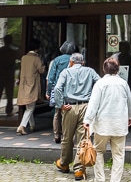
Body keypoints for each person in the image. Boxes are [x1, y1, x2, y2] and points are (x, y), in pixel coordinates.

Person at [83, 56, 131, 182]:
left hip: (102, 125)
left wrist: (87, 120)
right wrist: (130, 116)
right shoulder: (123, 83)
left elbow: (93, 104)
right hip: (119, 125)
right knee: (118, 155)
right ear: (117, 69)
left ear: (104, 69)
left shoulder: (100, 83)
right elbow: (129, 102)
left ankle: (100, 179)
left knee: (99, 152)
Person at [53, 52, 101, 181]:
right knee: (82, 138)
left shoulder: (66, 72)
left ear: (71, 61)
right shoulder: (90, 71)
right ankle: (79, 170)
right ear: (83, 62)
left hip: (70, 107)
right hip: (86, 106)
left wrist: (60, 104)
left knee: (67, 137)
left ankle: (64, 163)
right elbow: (100, 83)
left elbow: (57, 88)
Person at [47, 40, 76, 143]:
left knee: (57, 113)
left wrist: (48, 91)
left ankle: (56, 135)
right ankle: (66, 135)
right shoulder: (74, 60)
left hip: (57, 88)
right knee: (67, 113)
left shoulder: (57, 60)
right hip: (70, 89)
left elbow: (51, 77)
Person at [17, 38, 46, 135]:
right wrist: (45, 65)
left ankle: (32, 125)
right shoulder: (36, 58)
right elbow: (41, 70)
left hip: (24, 85)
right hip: (32, 85)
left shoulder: (24, 58)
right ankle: (22, 126)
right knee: (30, 108)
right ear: (37, 48)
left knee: (29, 107)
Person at [0, 34, 18, 117]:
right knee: (9, 94)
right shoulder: (14, 50)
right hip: (10, 75)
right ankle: (9, 111)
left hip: (0, 74)